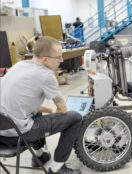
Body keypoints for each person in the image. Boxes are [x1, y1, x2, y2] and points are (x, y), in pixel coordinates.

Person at [0, 36, 82, 174]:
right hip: (17, 136)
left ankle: (40, 155)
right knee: (75, 118)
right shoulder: (46, 75)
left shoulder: (19, 65)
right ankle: (58, 168)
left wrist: (50, 111)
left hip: (1, 132)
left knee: (37, 113)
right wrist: (57, 115)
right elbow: (62, 110)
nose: (62, 60)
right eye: (58, 57)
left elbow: (23, 104)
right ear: (45, 59)